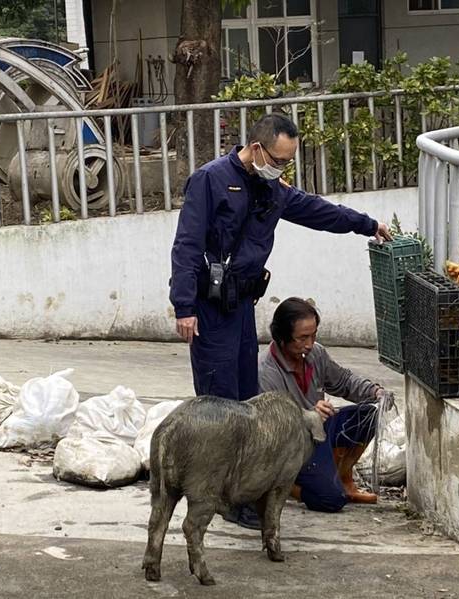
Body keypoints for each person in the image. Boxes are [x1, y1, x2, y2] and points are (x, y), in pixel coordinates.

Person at [169, 113, 391, 528]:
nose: (281, 168)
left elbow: (318, 211)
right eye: (277, 159)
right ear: (256, 149)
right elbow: (186, 244)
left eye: (288, 162)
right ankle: (222, 498)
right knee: (219, 407)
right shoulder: (211, 180)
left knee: (246, 401)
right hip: (210, 309)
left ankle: (242, 489)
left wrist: (367, 225)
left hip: (241, 307)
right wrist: (184, 306)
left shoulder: (272, 187)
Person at [258, 297, 385, 513]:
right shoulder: (265, 371)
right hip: (294, 446)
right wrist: (310, 414)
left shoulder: (315, 353)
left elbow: (343, 380)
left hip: (321, 431)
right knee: (331, 500)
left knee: (368, 415)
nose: (309, 343)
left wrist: (375, 391)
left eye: (313, 335)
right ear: (282, 337)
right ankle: (285, 485)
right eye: (302, 338)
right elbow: (274, 427)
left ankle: (344, 478)